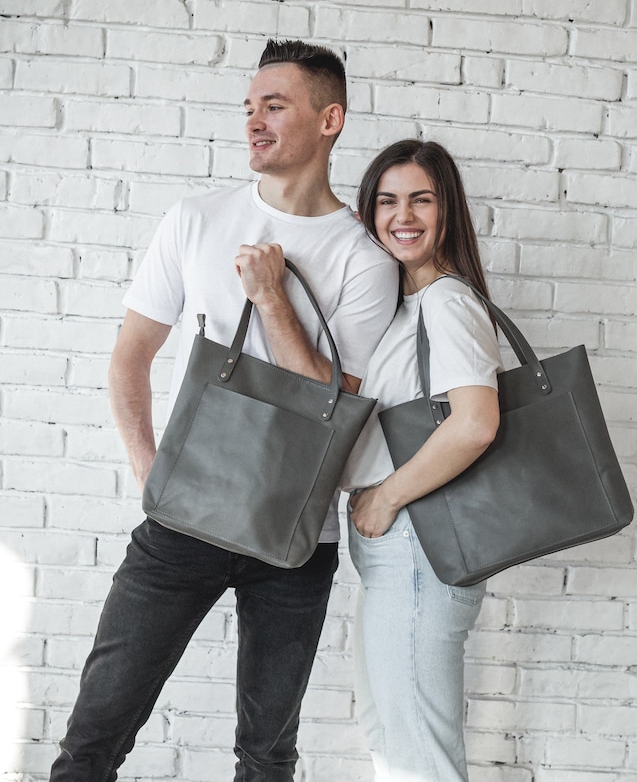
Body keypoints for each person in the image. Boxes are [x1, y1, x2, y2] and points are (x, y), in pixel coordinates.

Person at [50, 39, 398, 782]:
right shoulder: (196, 219)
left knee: (267, 757)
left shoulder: (363, 259)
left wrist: (271, 297)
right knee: (93, 737)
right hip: (182, 521)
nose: (253, 122)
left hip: (293, 541)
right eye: (249, 108)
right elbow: (129, 358)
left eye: (275, 106)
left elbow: (336, 413)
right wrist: (154, 476)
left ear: (330, 118)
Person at [341, 139, 503, 781]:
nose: (401, 216)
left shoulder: (446, 301)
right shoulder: (407, 304)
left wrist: (384, 497)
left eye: (420, 199)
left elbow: (476, 423)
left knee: (420, 759)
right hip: (401, 554)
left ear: (447, 211)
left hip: (417, 548)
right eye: (386, 200)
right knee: (391, 738)